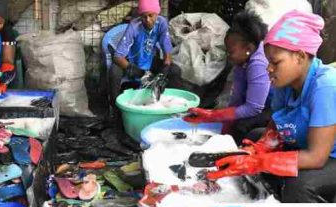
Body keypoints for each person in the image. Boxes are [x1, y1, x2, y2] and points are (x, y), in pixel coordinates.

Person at [205, 10, 336, 203]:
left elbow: (316, 157)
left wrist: (259, 162)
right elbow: (275, 125)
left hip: (328, 156)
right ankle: (269, 197)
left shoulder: (325, 87)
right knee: (254, 136)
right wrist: (255, 150)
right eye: (268, 62)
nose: (269, 68)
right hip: (305, 146)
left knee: (299, 184)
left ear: (299, 56)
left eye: (275, 62)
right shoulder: (286, 82)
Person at [183, 11, 272, 145]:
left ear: (248, 48)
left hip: (274, 110)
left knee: (242, 125)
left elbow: (254, 108)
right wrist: (222, 134)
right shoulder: (242, 63)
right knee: (232, 121)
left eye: (231, 52)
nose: (228, 56)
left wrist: (212, 116)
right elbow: (236, 101)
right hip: (259, 107)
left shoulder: (258, 64)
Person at [108, 0, 183, 128]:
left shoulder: (162, 23)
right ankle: (117, 115)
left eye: (151, 15)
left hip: (149, 60)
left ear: (157, 14)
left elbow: (167, 50)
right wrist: (134, 70)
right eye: (144, 16)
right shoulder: (134, 26)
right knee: (114, 71)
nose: (147, 20)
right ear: (140, 16)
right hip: (131, 62)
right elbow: (117, 56)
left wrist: (165, 68)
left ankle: (173, 110)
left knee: (175, 71)